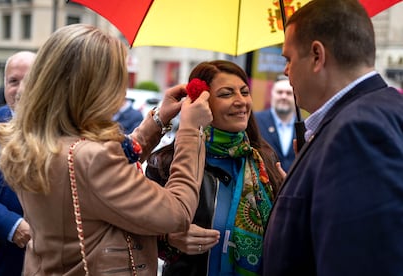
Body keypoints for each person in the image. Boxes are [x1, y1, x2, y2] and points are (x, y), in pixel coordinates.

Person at [0, 24, 213, 275]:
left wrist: (158, 120)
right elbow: (178, 212)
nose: (121, 91)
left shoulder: (35, 139)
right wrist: (191, 130)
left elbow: (113, 160)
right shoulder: (91, 158)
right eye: (118, 79)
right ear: (94, 87)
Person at [262, 0, 403, 275]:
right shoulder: (374, 113)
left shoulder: (357, 131)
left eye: (288, 59)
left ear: (317, 55)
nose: (285, 71)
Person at [146, 60, 284, 275]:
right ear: (202, 102)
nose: (241, 101)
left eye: (245, 92)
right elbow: (138, 229)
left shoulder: (264, 162)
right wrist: (169, 237)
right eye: (226, 94)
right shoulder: (166, 164)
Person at [0, 51, 35, 276]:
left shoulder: (63, 129)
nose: (21, 89)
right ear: (4, 85)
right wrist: (11, 225)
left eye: (30, 80)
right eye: (13, 81)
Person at [255, 74, 296, 172]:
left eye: (288, 93)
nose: (284, 96)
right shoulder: (255, 121)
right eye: (279, 92)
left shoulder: (305, 126)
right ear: (271, 94)